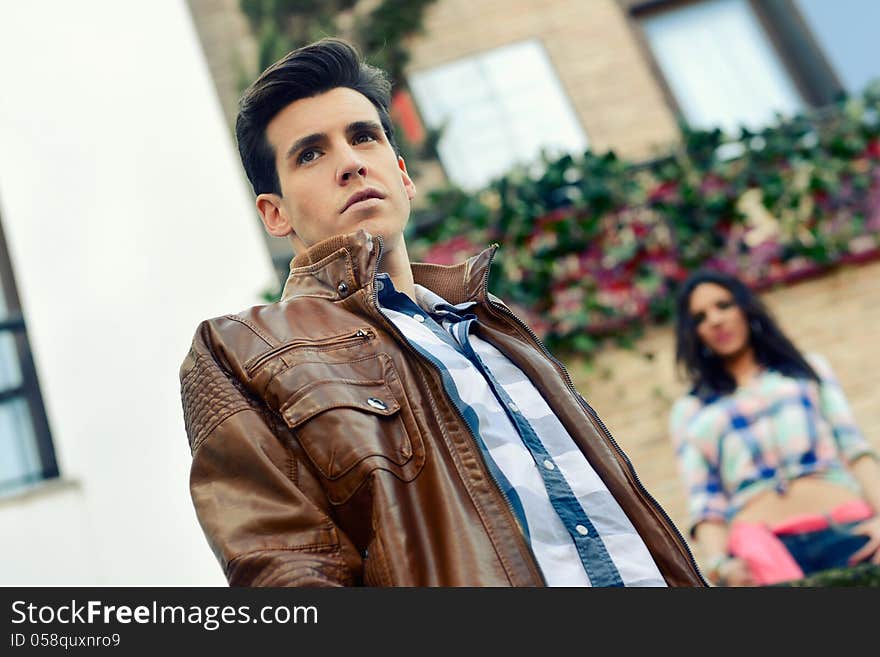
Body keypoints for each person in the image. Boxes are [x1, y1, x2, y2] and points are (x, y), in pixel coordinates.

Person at [179, 37, 704, 587]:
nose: (352, 164)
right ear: (274, 213)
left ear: (402, 174)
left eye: (364, 137)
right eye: (311, 153)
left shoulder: (493, 325)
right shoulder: (240, 351)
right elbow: (286, 575)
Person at [669, 269, 880, 586]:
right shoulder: (690, 411)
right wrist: (720, 566)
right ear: (693, 333)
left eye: (723, 305)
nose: (714, 320)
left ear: (745, 308)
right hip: (761, 561)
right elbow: (706, 502)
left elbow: (855, 449)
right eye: (699, 317)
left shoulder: (806, 372)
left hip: (849, 534)